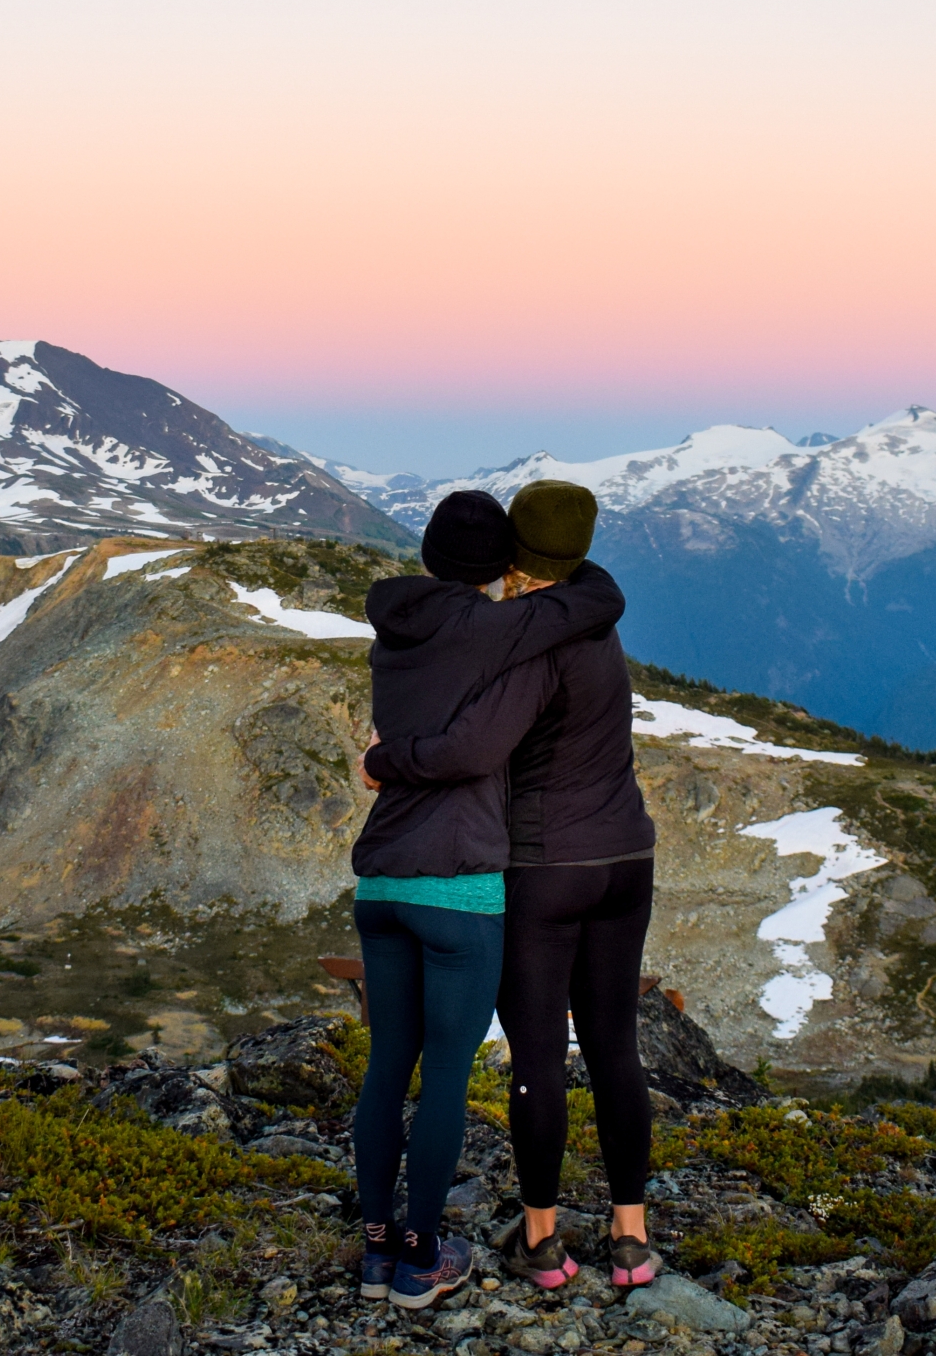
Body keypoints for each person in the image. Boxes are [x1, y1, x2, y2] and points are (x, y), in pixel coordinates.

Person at [361, 479, 663, 1292]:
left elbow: (473, 744)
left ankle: (543, 1241)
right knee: (615, 1048)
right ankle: (631, 1240)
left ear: (516, 557)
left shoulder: (529, 645)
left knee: (538, 1055)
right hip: (627, 858)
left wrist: (384, 761)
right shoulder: (598, 623)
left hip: (544, 867)